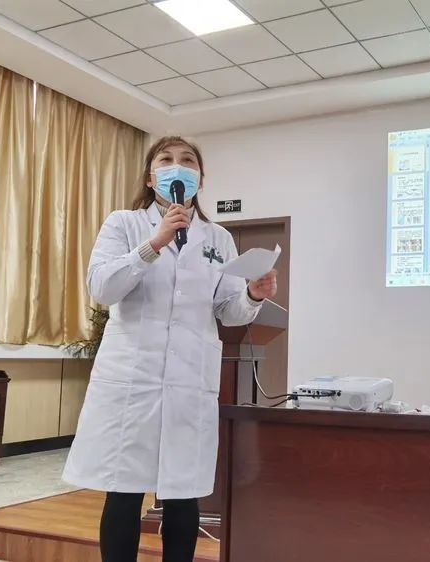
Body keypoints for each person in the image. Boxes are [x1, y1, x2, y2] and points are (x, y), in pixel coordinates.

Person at [62, 136, 278, 562]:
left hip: (188, 382)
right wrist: (154, 243)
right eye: (166, 159)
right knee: (123, 492)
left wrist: (253, 294)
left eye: (187, 161)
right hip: (132, 381)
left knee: (183, 494)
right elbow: (102, 288)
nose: (177, 166)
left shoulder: (219, 237)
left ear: (199, 178)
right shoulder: (124, 224)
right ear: (150, 177)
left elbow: (228, 310)